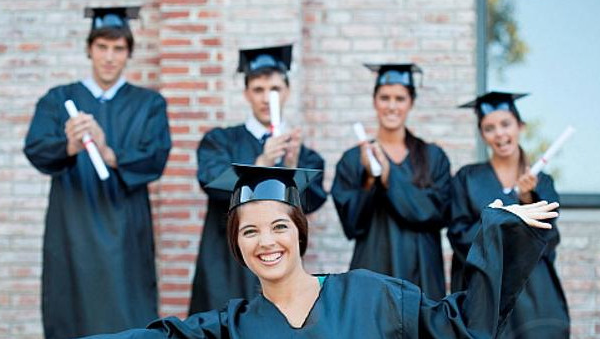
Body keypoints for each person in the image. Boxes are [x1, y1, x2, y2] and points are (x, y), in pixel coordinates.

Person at [85, 164, 559, 338]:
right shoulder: (229, 329)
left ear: (299, 233)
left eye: (277, 226)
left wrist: (499, 235)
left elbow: (465, 325)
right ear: (237, 245)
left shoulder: (375, 298)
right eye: (248, 232)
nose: (265, 242)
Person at [23, 6, 171, 339]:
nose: (109, 57)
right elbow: (36, 149)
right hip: (72, 222)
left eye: (118, 49)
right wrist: (70, 145)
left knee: (128, 309)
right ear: (89, 49)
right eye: (102, 47)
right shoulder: (59, 99)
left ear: (129, 53)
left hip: (127, 225)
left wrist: (107, 153)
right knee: (71, 307)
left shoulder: (149, 104)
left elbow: (156, 157)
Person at [189, 45, 327, 314]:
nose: (267, 98)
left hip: (277, 261)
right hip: (225, 261)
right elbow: (212, 183)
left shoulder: (304, 155)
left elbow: (311, 205)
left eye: (274, 89)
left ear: (287, 92)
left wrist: (291, 166)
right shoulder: (220, 141)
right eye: (258, 90)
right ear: (246, 94)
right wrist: (262, 163)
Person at [448, 91, 570, 338]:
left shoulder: (541, 182)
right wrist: (509, 211)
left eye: (506, 124)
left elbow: (546, 236)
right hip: (487, 294)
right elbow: (459, 235)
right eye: (489, 128)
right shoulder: (467, 178)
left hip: (535, 294)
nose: (500, 134)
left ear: (520, 126)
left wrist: (527, 199)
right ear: (482, 135)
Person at [331, 64, 451, 300]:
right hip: (371, 274)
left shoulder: (433, 157)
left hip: (423, 277)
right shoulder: (353, 159)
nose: (392, 106)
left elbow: (438, 213)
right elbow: (352, 225)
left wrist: (389, 178)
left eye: (400, 98)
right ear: (374, 101)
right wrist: (369, 179)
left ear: (411, 102)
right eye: (385, 98)